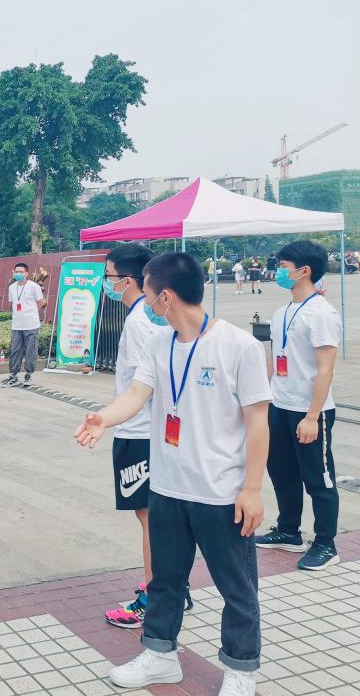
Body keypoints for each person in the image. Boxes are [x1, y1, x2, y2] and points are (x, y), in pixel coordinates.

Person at [74, 252, 270, 696]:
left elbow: (258, 421)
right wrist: (104, 418)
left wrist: (252, 489)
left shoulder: (238, 346)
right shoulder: (159, 343)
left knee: (237, 588)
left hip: (220, 493)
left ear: (165, 296)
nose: (143, 301)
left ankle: (241, 669)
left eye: (146, 292)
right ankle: (161, 656)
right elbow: (137, 393)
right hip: (166, 487)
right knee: (165, 580)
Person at [255, 241, 341, 570]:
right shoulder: (283, 312)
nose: (277, 271)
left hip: (310, 411)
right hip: (280, 405)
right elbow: (278, 360)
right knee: (282, 473)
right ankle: (289, 531)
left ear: (303, 271)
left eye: (283, 266)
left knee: (318, 479)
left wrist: (312, 416)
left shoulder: (322, 314)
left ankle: (326, 543)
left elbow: (325, 369)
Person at [99, 244, 168, 628]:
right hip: (138, 428)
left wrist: (107, 419)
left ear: (127, 280)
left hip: (140, 432)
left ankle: (155, 597)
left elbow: (150, 385)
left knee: (149, 518)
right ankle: (168, 587)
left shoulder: (141, 322)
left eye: (108, 275)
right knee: (150, 517)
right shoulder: (143, 316)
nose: (104, 282)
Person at [2, 262, 46, 387]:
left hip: (31, 325)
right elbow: (12, 304)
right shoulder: (12, 287)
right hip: (16, 325)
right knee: (15, 351)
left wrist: (31, 313)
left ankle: (28, 375)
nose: (18, 274)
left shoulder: (33, 286)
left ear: (26, 273)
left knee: (31, 351)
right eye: (16, 272)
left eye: (21, 272)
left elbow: (41, 302)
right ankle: (13, 376)